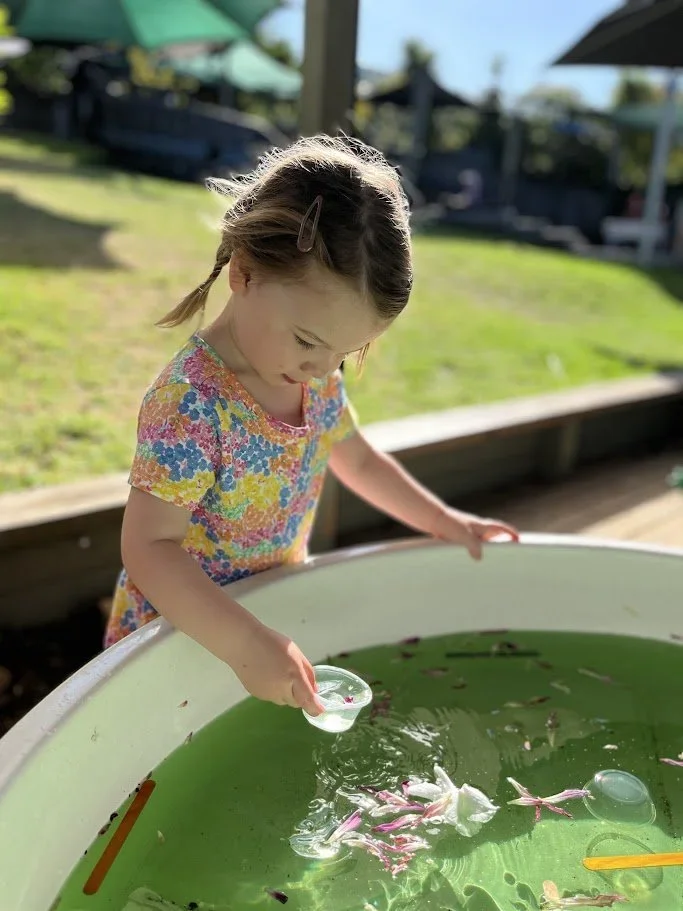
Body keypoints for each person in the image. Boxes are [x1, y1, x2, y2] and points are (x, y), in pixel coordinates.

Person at [105, 135, 519, 716]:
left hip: (264, 619)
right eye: (309, 343)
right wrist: (243, 642)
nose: (323, 369)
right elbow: (150, 548)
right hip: (178, 635)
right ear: (244, 273)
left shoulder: (312, 376)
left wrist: (443, 521)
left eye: (345, 355)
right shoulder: (192, 403)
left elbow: (358, 458)